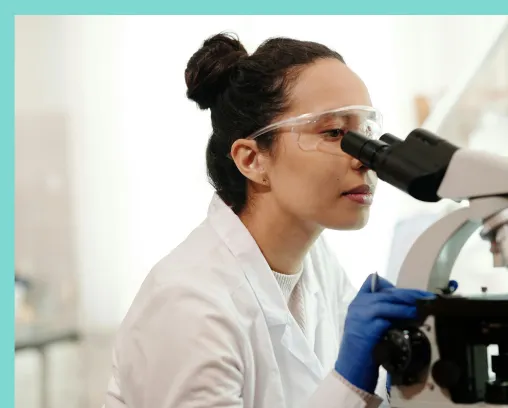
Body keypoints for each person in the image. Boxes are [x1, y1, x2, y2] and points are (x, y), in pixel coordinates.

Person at [103, 33, 434, 408]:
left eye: (366, 133)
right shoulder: (188, 304)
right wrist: (349, 384)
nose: (365, 158)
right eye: (334, 132)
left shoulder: (316, 265)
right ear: (252, 160)